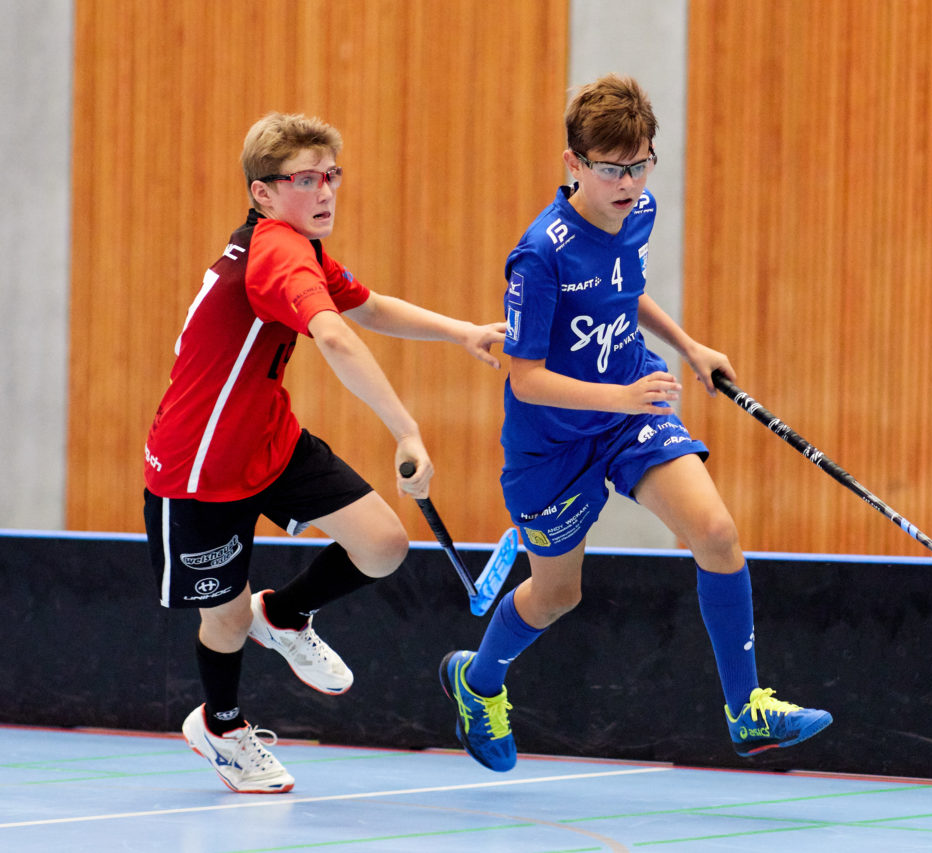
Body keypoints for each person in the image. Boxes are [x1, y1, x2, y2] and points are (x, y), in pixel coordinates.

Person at [440, 74, 831, 772]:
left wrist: (690, 347)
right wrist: (621, 398)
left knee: (714, 531)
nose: (628, 183)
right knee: (558, 594)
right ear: (574, 164)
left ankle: (745, 711)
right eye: (612, 168)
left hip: (628, 409)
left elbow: (628, 289)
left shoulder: (639, 211)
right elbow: (524, 377)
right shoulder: (541, 253)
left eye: (641, 163)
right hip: (551, 445)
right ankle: (478, 681)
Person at [142, 112, 505, 793]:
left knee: (382, 544)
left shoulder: (298, 247)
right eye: (305, 178)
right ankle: (219, 726)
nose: (326, 190)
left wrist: (462, 333)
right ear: (263, 194)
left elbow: (365, 306)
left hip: (268, 439)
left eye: (331, 175)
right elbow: (335, 338)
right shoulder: (276, 249)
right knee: (222, 614)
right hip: (199, 466)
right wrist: (406, 428)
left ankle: (283, 615)